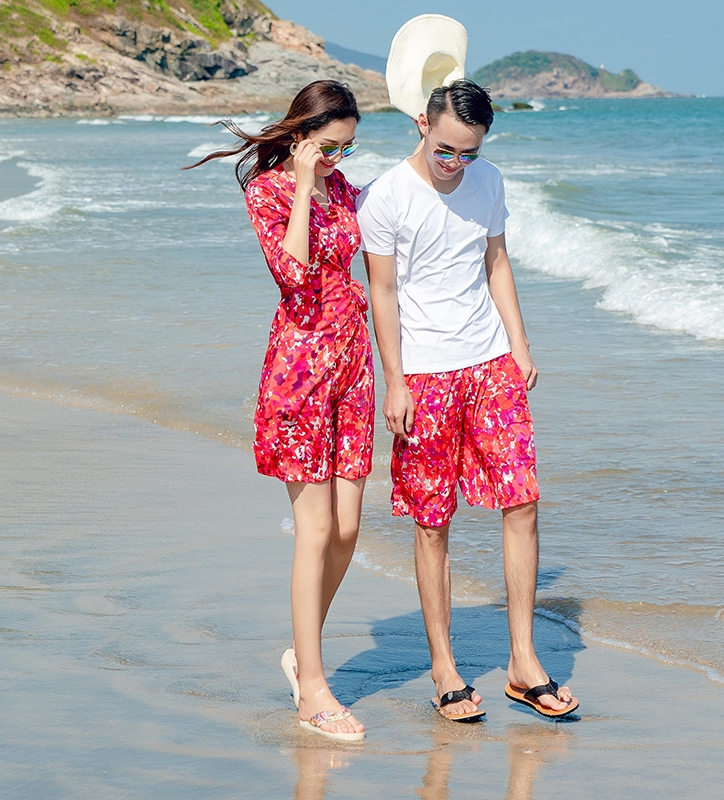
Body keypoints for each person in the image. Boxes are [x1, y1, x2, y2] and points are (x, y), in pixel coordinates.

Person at [357, 78, 579, 722]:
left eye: (470, 153)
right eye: (447, 151)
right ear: (420, 126)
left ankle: (523, 662)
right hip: (424, 376)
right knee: (434, 521)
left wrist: (520, 344)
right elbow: (383, 294)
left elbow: (497, 262)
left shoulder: (490, 182)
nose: (457, 166)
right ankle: (445, 669)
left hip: (490, 366)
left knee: (523, 500)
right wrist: (394, 380)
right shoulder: (385, 197)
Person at [188, 81, 373, 741]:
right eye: (327, 148)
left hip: (353, 365)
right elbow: (292, 276)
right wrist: (300, 182)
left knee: (349, 528)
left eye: (347, 149)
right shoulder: (267, 192)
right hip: (299, 371)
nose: (337, 162)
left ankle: (303, 651)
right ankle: (313, 690)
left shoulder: (347, 188)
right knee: (316, 529)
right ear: (299, 136)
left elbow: (384, 227)